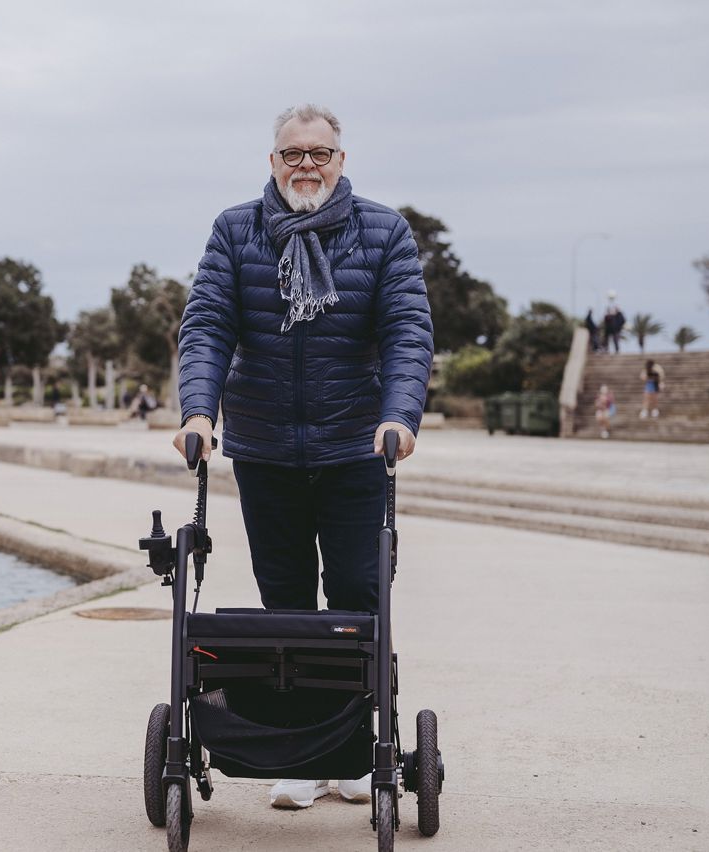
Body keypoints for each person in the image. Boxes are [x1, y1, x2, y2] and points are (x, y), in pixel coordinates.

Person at [174, 104, 433, 810]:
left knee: (355, 599)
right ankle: (296, 752)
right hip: (263, 450)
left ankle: (350, 750)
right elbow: (206, 325)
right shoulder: (235, 230)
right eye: (293, 154)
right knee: (283, 605)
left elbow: (408, 328)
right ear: (272, 162)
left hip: (355, 447)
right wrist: (197, 410)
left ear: (340, 161)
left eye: (319, 153)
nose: (306, 165)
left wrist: (398, 417)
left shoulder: (383, 232)